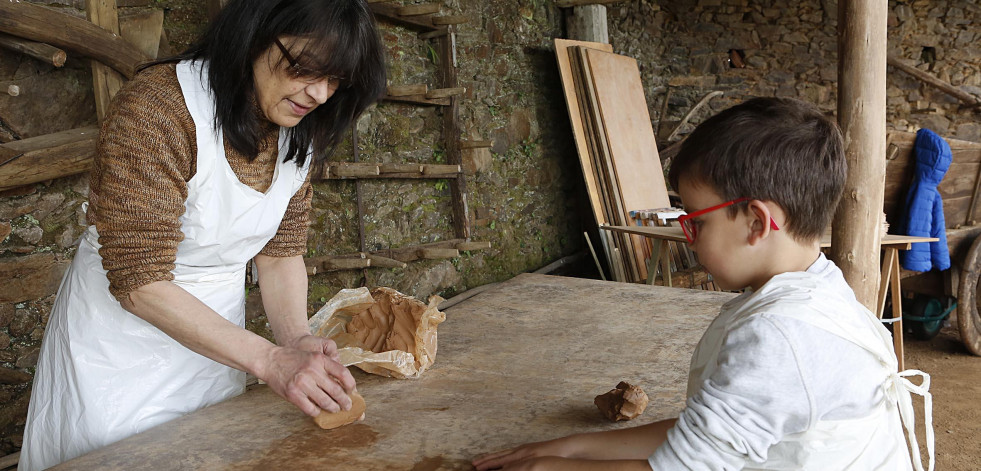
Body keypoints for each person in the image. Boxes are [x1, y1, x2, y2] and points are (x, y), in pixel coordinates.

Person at [473, 97, 934, 471]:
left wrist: (551, 469)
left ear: (756, 222)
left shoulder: (781, 335)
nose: (688, 239)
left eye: (695, 222)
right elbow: (707, 435)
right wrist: (575, 448)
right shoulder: (818, 287)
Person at [20, 0, 386, 469]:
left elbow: (279, 253)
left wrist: (293, 339)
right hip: (117, 350)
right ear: (255, 35)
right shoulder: (161, 108)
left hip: (218, 344)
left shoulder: (297, 129)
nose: (318, 93)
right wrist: (271, 362)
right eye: (305, 68)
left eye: (335, 81)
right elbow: (139, 281)